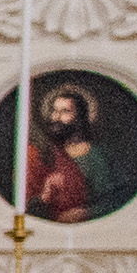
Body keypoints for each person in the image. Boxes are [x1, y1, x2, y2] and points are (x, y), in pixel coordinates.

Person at [25, 83, 111, 222]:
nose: (56, 117)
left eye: (65, 111)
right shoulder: (42, 153)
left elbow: (111, 200)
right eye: (54, 110)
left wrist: (85, 213)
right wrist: (44, 195)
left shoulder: (94, 157)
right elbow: (26, 204)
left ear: (80, 118)